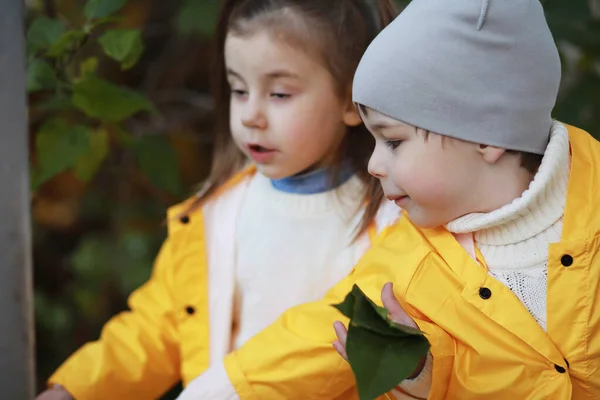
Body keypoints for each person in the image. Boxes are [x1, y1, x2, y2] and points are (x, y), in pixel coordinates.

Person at [178, 0, 600, 399]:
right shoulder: (404, 263)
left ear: (486, 136)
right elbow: (309, 341)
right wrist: (421, 379)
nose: (374, 164)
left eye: (394, 141)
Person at [36, 0, 399, 399]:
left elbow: (337, 333)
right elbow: (158, 328)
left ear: (351, 101)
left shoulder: (391, 223)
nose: (250, 115)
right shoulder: (215, 216)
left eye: (279, 94)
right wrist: (75, 391)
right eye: (238, 90)